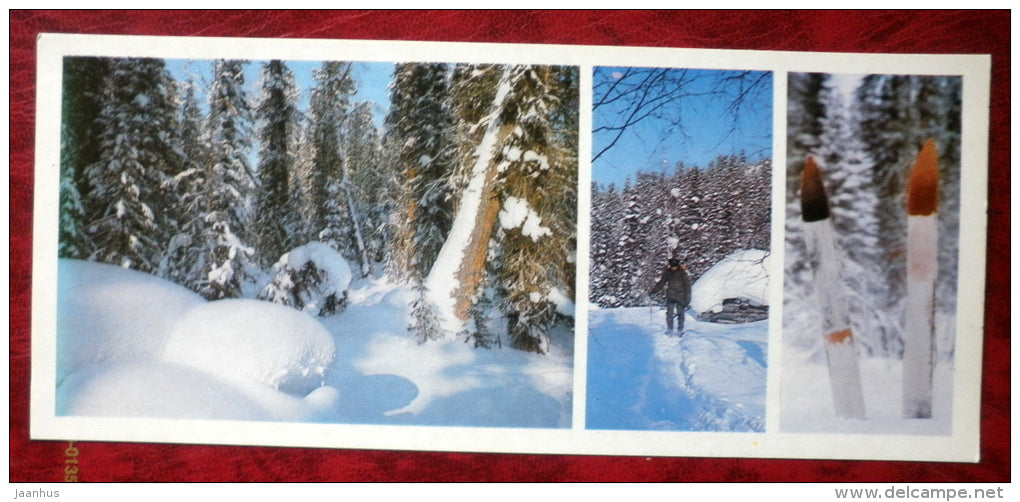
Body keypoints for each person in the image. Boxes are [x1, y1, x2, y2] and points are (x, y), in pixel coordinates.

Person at [649, 258, 692, 334]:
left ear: (677, 265)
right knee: (669, 314)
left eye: (674, 266)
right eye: (672, 266)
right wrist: (654, 291)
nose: (673, 267)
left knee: (680, 313)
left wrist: (688, 297)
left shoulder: (682, 273)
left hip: (681, 295)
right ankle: (670, 330)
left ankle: (680, 330)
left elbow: (687, 286)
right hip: (671, 295)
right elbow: (662, 283)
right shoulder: (668, 273)